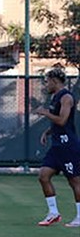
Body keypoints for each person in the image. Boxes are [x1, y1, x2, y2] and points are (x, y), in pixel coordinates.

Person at [32, 67, 80, 227]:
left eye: (47, 82)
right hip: (57, 146)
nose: (46, 85)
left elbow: (62, 120)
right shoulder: (55, 97)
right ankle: (53, 213)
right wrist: (47, 132)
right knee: (43, 176)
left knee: (74, 181)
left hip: (68, 146)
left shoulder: (66, 97)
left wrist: (45, 112)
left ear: (54, 81)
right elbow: (57, 123)